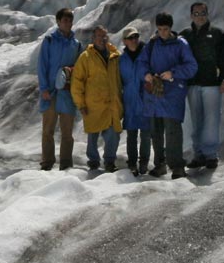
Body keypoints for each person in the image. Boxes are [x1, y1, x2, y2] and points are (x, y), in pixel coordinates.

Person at [139, 12, 198, 179]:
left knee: (172, 131)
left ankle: (177, 166)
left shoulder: (180, 44)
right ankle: (160, 164)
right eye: (159, 29)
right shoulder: (151, 45)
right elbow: (141, 63)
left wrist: (173, 73)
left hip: (172, 94)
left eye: (165, 29)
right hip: (154, 95)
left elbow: (191, 66)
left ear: (170, 28)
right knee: (156, 132)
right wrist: (146, 75)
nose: (162, 33)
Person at [180, 1, 224, 170]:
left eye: (203, 13)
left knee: (211, 119)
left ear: (207, 14)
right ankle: (199, 154)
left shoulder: (217, 34)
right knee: (196, 121)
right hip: (193, 84)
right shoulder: (185, 36)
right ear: (191, 15)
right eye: (196, 13)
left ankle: (211, 155)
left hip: (212, 83)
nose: (200, 16)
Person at [36, 7, 83, 170]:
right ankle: (47, 162)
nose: (68, 23)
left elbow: (80, 68)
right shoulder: (49, 40)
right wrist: (44, 88)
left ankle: (65, 164)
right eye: (65, 20)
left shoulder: (76, 45)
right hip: (50, 91)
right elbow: (42, 65)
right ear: (58, 22)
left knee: (67, 132)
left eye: (70, 20)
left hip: (67, 93)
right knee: (48, 130)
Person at [72, 24, 123, 172]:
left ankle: (109, 161)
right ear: (93, 38)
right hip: (93, 104)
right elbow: (77, 82)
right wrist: (80, 104)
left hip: (112, 103)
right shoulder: (85, 57)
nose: (102, 39)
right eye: (99, 36)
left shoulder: (115, 56)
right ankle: (93, 161)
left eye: (104, 36)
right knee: (93, 135)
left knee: (113, 134)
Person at [117, 25, 152, 175]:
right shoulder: (121, 60)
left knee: (145, 134)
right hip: (130, 100)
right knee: (131, 134)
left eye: (136, 37)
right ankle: (132, 162)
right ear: (125, 41)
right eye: (131, 38)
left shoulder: (146, 54)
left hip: (145, 99)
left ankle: (143, 162)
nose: (134, 40)